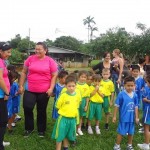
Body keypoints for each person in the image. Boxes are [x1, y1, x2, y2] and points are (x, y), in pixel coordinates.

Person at [19, 42, 58, 137]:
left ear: (45, 50)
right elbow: (24, 72)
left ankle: (41, 130)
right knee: (27, 108)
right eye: (36, 49)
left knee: (41, 110)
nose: (37, 51)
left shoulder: (50, 61)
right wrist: (21, 85)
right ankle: (29, 128)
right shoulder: (30, 59)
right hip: (30, 88)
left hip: (44, 90)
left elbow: (54, 75)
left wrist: (51, 88)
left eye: (39, 49)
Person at [51, 75, 82, 150]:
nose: (71, 88)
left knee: (68, 134)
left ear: (76, 85)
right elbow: (57, 106)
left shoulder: (77, 95)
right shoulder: (63, 95)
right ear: (65, 86)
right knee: (60, 135)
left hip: (72, 119)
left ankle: (65, 147)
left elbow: (78, 104)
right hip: (63, 119)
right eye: (69, 86)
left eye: (73, 86)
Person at [113, 76, 139, 150]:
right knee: (121, 132)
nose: (130, 87)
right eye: (128, 85)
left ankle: (129, 145)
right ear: (124, 85)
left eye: (132, 85)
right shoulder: (121, 94)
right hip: (124, 117)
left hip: (131, 118)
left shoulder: (135, 95)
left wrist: (136, 117)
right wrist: (114, 116)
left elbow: (136, 106)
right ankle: (117, 145)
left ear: (134, 85)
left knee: (131, 132)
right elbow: (117, 105)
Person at [0, 42, 12, 150]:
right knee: (3, 121)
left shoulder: (2, 61)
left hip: (2, 94)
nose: (10, 54)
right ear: (0, 51)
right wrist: (6, 92)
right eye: (8, 52)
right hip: (0, 95)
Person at [137, 75, 150, 150]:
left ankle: (146, 144)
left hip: (148, 110)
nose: (146, 83)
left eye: (147, 82)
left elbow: (146, 99)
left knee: (146, 128)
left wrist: (146, 100)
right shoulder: (147, 88)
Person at [76, 70, 90, 135]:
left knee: (81, 116)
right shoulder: (75, 85)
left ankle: (79, 129)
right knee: (75, 116)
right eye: (82, 77)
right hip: (76, 101)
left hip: (83, 102)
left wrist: (86, 105)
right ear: (78, 77)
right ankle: (74, 129)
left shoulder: (87, 86)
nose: (83, 78)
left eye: (85, 77)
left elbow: (88, 96)